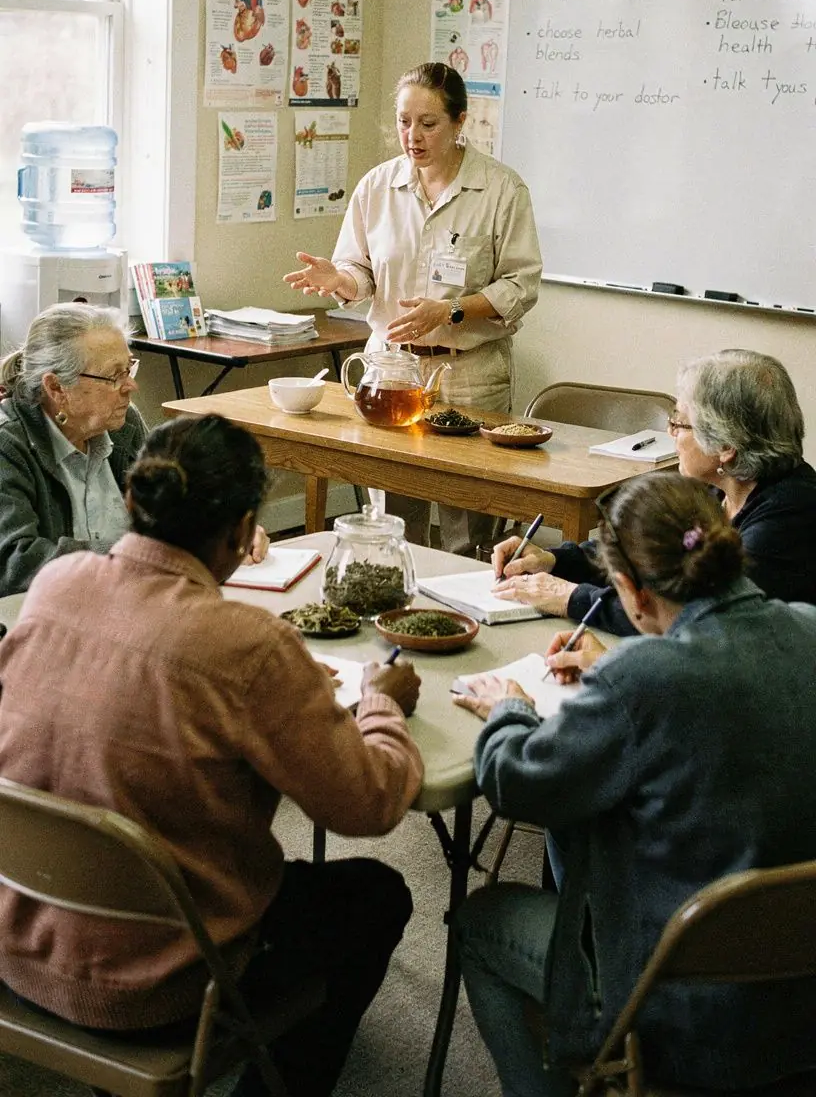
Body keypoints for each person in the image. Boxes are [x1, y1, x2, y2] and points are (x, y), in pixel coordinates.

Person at [0, 413, 423, 1097]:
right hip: (160, 986)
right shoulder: (247, 645)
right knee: (378, 894)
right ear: (243, 528)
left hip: (21, 945)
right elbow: (370, 805)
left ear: (132, 502)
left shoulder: (56, 584)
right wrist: (381, 703)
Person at [453, 471, 816, 1096]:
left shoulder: (644, 679)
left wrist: (510, 708)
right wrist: (615, 674)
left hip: (679, 1016)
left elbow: (514, 783)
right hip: (799, 1002)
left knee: (480, 923)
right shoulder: (808, 626)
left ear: (630, 592)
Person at [284, 61, 542, 555]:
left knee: (468, 525)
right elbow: (361, 271)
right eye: (404, 121)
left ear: (460, 122)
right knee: (397, 522)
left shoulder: (501, 190)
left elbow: (521, 284)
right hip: (394, 371)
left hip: (469, 372)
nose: (412, 136)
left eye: (428, 123)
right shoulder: (377, 187)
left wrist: (451, 311)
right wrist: (340, 278)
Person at [492, 349, 816, 637]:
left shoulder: (793, 515)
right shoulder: (721, 487)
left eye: (680, 423)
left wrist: (569, 598)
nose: (670, 431)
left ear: (725, 446)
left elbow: (693, 615)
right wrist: (555, 560)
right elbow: (642, 548)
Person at [0, 303, 269, 598]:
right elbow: (16, 561)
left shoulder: (124, 424)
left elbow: (174, 503)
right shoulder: (8, 444)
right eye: (114, 376)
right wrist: (142, 555)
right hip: (44, 615)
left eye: (129, 368)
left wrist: (225, 533)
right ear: (56, 388)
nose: (131, 386)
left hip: (131, 597)